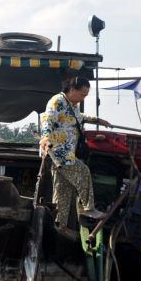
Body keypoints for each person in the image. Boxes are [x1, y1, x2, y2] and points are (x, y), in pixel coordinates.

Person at [39, 76, 112, 232]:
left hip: (67, 154)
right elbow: (47, 119)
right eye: (82, 94)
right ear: (72, 89)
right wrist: (45, 138)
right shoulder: (57, 101)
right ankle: (89, 208)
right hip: (59, 153)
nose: (83, 98)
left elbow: (80, 118)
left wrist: (98, 120)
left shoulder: (72, 105)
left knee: (62, 192)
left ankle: (59, 226)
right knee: (84, 171)